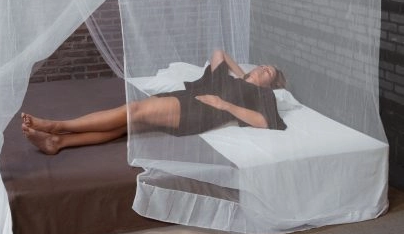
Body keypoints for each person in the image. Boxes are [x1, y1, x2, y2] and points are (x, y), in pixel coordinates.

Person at [21, 49, 287, 155]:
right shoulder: (232, 80)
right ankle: (59, 142)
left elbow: (265, 122)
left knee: (133, 110)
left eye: (269, 73)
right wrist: (243, 75)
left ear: (270, 85)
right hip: (186, 101)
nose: (263, 69)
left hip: (197, 111)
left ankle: (57, 126)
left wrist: (225, 105)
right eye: (263, 66)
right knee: (126, 125)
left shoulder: (263, 95)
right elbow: (220, 53)